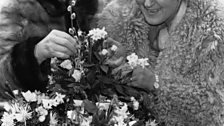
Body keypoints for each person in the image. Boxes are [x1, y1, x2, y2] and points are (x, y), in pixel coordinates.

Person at [93, 0, 224, 125]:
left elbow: (214, 112)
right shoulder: (119, 21)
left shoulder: (213, 34)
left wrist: (156, 84)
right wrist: (121, 61)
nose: (147, 3)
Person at [0, 0, 98, 100]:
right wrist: (34, 54)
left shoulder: (92, 9)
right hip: (36, 109)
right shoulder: (16, 8)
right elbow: (2, 80)